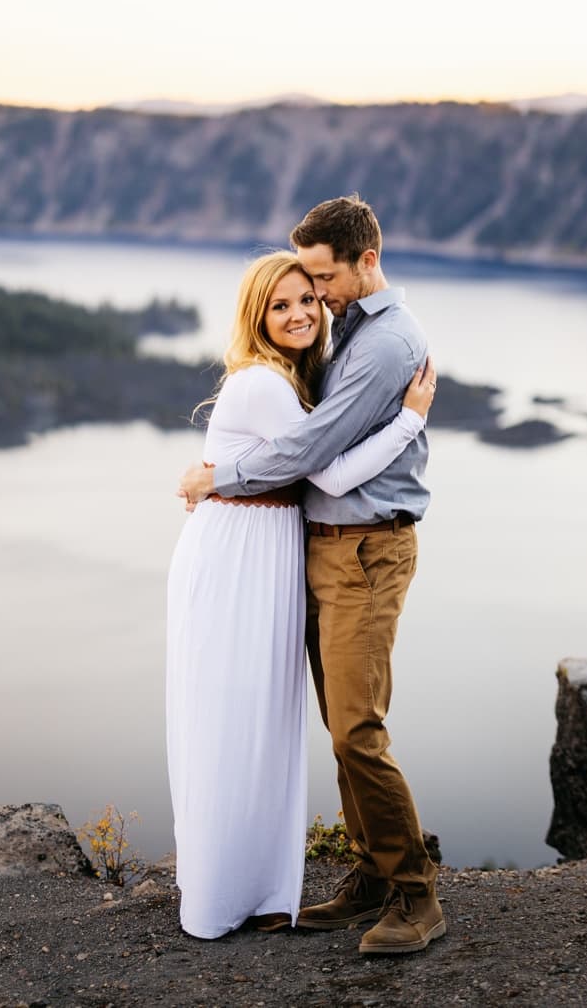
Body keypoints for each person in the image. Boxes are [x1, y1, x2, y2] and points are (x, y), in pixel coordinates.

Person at [178, 194, 445, 956]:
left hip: (366, 548)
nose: (316, 296)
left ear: (367, 260)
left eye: (323, 279)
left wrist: (215, 475)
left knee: (358, 729)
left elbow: (312, 457)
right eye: (303, 286)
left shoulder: (389, 344)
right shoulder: (351, 330)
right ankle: (369, 875)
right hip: (326, 548)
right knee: (340, 726)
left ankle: (416, 894)